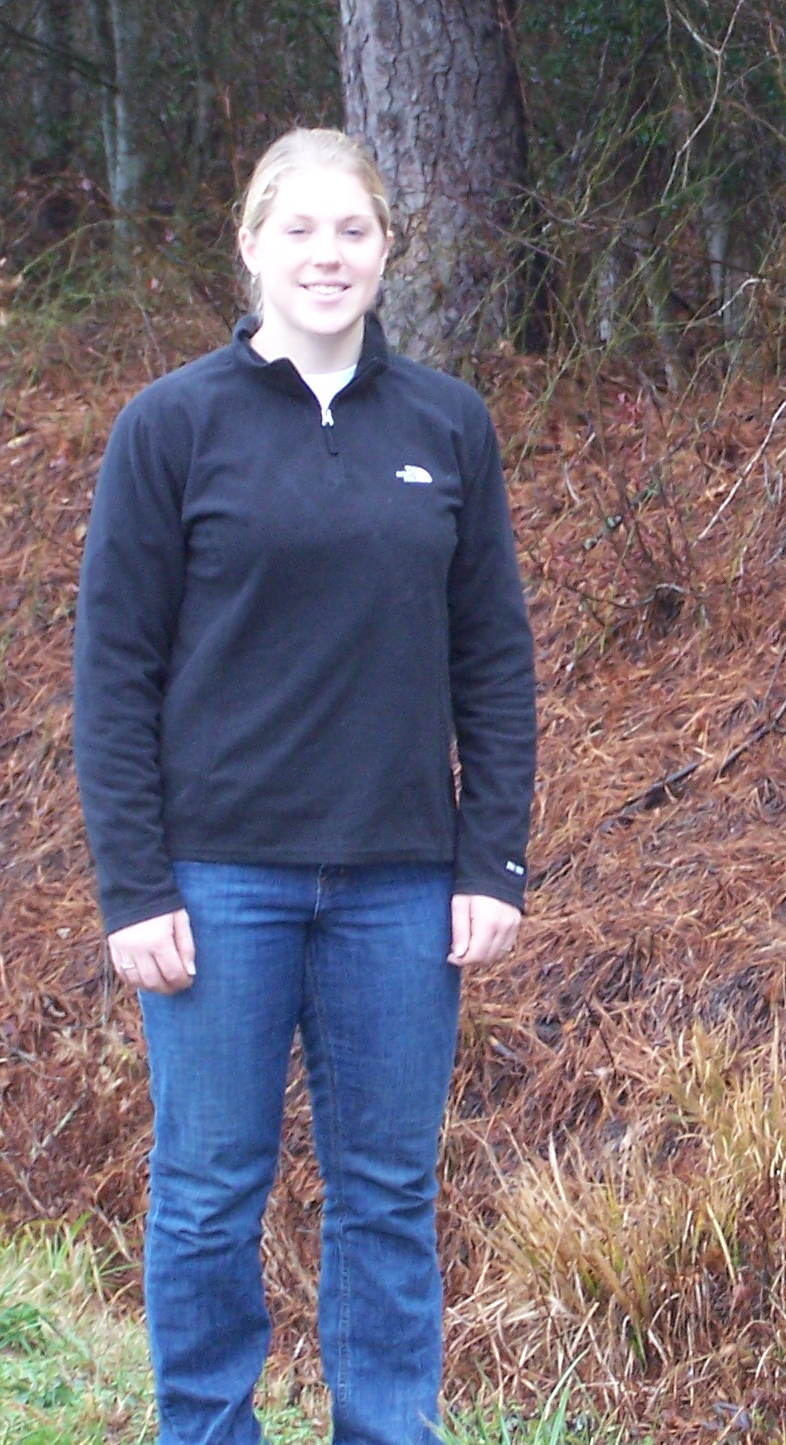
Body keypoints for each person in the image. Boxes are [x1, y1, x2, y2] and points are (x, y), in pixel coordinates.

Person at [72, 126, 536, 1445]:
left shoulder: (449, 427)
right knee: (210, 1187)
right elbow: (113, 675)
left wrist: (491, 860)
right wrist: (135, 886)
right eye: (302, 231)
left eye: (354, 232)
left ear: (389, 249)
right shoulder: (171, 428)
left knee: (387, 1193)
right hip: (219, 887)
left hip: (401, 887)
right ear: (251, 245)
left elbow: (494, 658)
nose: (327, 256)